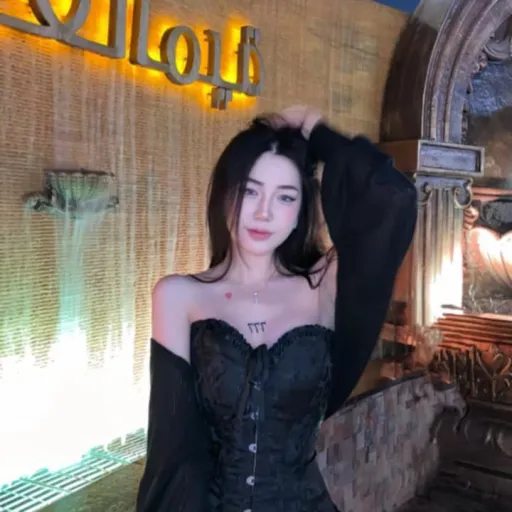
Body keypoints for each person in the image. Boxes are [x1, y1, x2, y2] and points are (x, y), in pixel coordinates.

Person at [136, 105, 418, 512]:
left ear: (301, 211)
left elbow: (393, 199)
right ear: (225, 194)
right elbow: (172, 451)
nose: (264, 212)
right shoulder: (178, 296)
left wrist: (317, 133)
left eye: (285, 197)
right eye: (250, 191)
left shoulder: (324, 284)